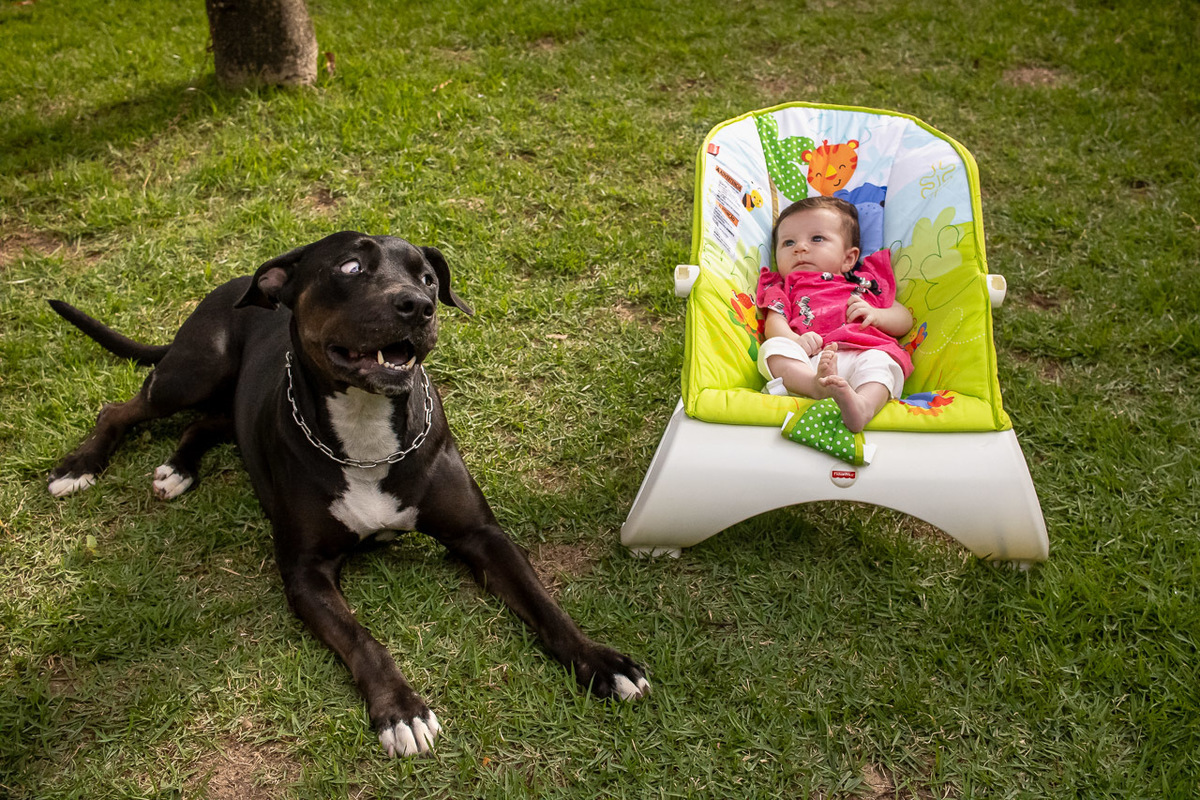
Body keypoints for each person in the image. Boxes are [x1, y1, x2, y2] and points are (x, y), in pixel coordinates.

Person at [757, 196, 913, 433]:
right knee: (773, 349)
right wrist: (795, 341)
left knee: (884, 361)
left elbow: (904, 319)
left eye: (817, 239)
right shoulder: (782, 287)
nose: (800, 247)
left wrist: (877, 315)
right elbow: (773, 324)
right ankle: (815, 387)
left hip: (863, 351)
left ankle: (862, 406)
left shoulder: (865, 283)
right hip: (811, 362)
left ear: (849, 258)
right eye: (788, 243)